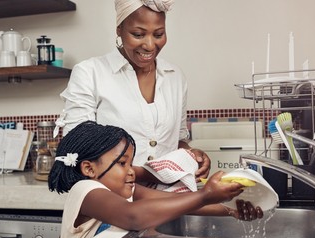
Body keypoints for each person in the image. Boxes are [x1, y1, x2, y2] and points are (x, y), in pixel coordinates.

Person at [54, 0, 210, 190]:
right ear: (119, 29)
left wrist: (192, 155)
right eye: (138, 34)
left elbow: (177, 141)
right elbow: (77, 153)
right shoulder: (90, 73)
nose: (150, 45)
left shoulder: (175, 77)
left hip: (170, 204)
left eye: (159, 34)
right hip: (114, 205)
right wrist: (160, 173)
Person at [48, 121, 263, 238]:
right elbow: (132, 217)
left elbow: (175, 203)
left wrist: (231, 211)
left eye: (131, 163)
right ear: (88, 168)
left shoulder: (124, 191)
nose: (132, 171)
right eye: (122, 164)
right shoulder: (85, 191)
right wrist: (205, 195)